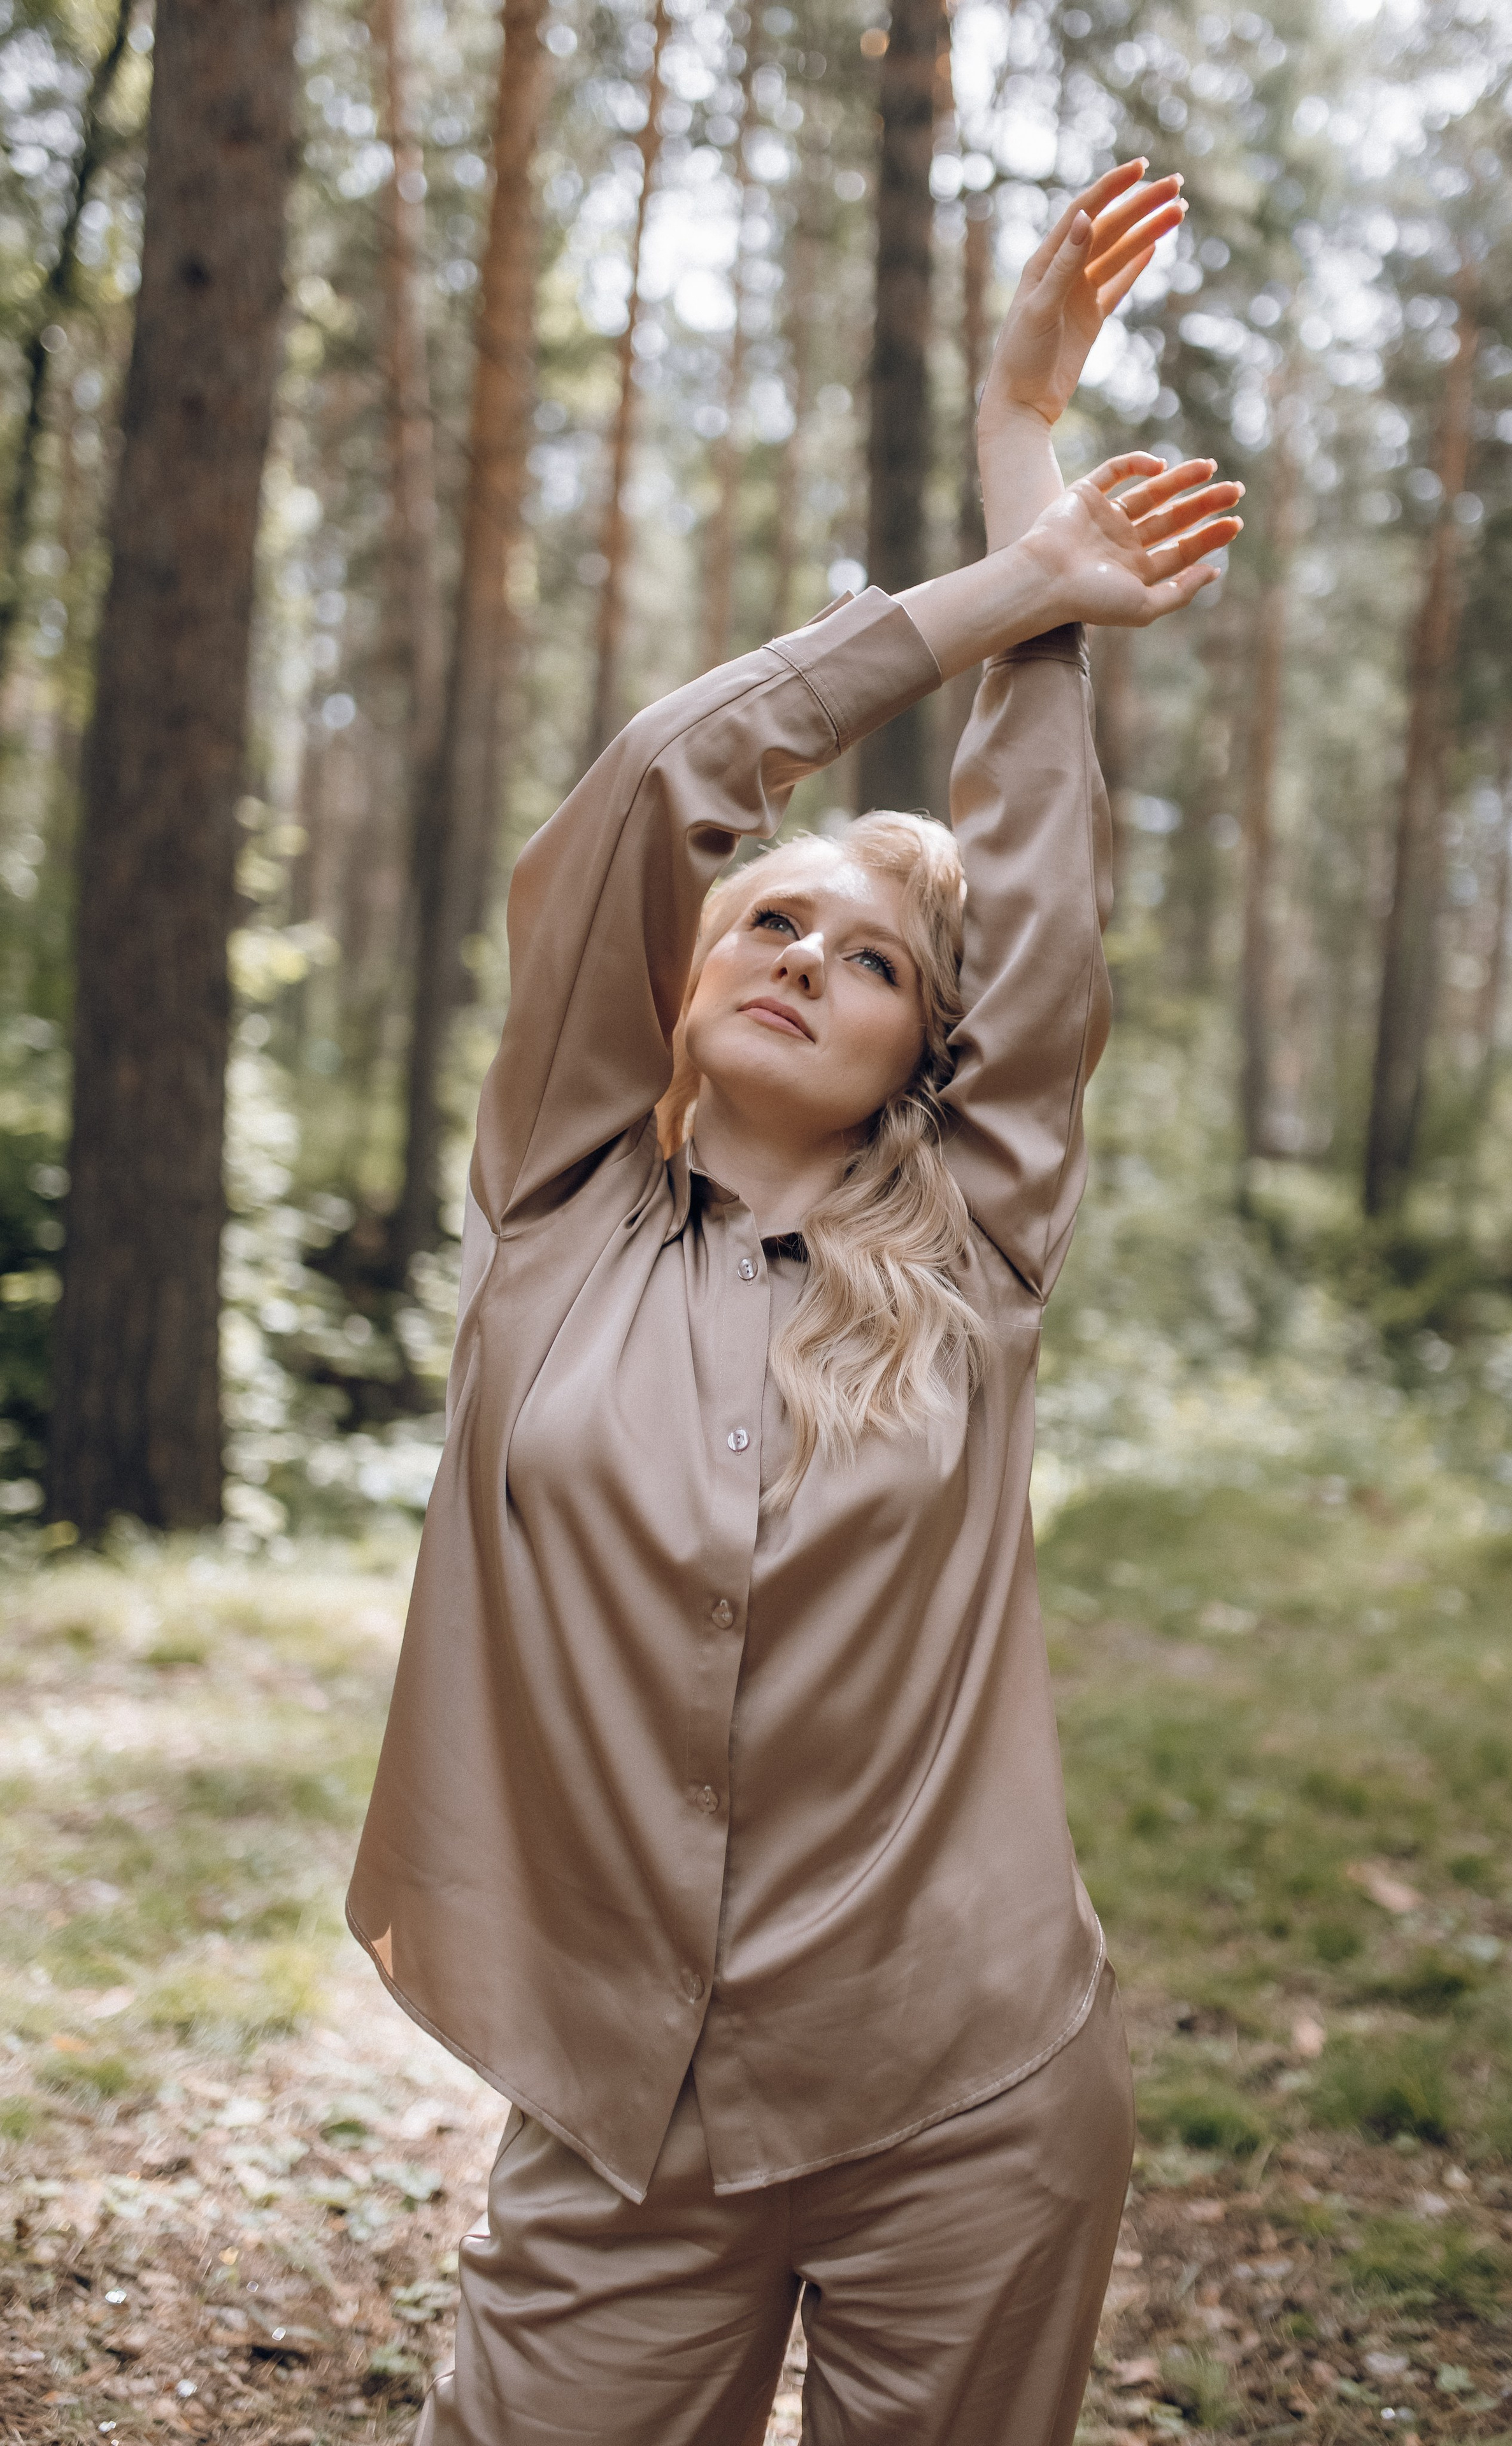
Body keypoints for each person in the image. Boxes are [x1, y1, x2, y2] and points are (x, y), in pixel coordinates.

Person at [347, 161, 1244, 2446]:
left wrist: (1039, 449)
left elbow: (1038, 904)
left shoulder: (977, 1241)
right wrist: (997, 566)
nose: (805, 958)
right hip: (617, 2110)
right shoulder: (556, 1195)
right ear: (688, 972)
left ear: (918, 1056)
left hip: (965, 2088)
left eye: (871, 965)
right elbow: (661, 784)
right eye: (775, 918)